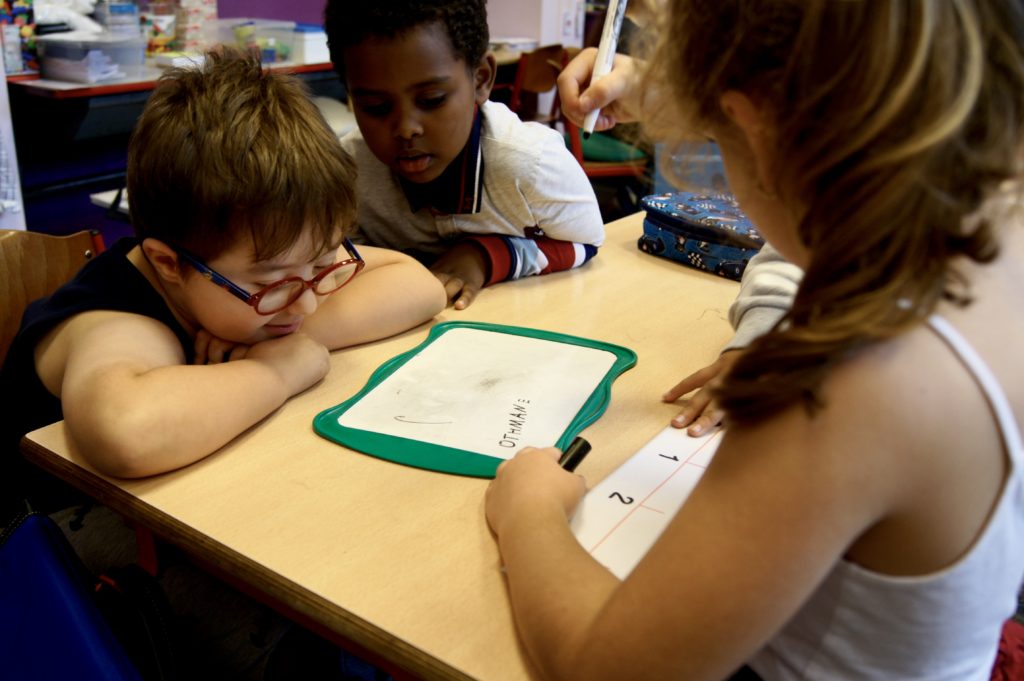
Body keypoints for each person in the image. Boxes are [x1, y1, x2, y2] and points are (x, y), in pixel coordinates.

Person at [486, 2, 1024, 680]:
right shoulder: (1001, 219)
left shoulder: (839, 391)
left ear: (752, 121)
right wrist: (680, 94)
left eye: (716, 130)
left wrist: (530, 513)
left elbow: (607, 665)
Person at [0, 49, 446, 679]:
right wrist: (283, 369)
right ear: (167, 264)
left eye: (323, 266)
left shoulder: (265, 266)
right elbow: (127, 429)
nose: (311, 295)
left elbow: (417, 284)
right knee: (305, 632)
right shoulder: (112, 318)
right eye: (274, 284)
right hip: (52, 560)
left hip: (191, 518)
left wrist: (287, 332)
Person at [323, 0, 605, 310]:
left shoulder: (530, 163)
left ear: (481, 79)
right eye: (376, 107)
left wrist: (485, 256)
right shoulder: (348, 173)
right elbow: (344, 267)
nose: (405, 129)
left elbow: (588, 243)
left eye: (432, 100)